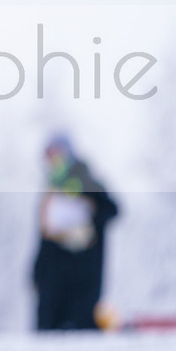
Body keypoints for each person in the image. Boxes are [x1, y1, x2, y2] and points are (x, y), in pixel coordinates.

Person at [32, 134, 119, 331]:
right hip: (53, 282)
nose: (52, 161)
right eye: (48, 156)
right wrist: (37, 272)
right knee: (47, 335)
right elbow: (44, 237)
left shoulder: (88, 182)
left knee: (81, 334)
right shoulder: (51, 192)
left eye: (56, 155)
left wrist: (89, 216)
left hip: (83, 277)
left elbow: (112, 210)